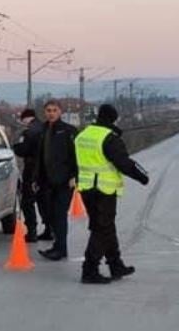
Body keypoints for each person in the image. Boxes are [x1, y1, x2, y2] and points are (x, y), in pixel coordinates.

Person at [75, 104, 150, 284]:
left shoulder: (82, 135)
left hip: (86, 188)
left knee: (105, 227)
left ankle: (116, 264)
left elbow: (73, 161)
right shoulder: (109, 138)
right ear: (113, 119)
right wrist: (142, 177)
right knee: (102, 229)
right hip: (104, 189)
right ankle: (90, 269)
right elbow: (123, 163)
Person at [33, 100, 78, 261]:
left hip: (64, 181)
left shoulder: (68, 131)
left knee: (60, 215)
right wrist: (36, 178)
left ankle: (61, 248)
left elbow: (76, 156)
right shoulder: (43, 130)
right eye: (48, 110)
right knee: (50, 215)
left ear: (60, 112)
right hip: (46, 181)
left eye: (54, 110)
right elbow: (39, 156)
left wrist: (74, 176)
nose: (51, 113)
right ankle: (57, 245)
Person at [12, 108, 52, 243]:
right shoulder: (47, 129)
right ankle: (49, 229)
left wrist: (15, 146)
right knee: (44, 201)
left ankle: (32, 231)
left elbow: (23, 150)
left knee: (27, 201)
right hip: (47, 170)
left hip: (32, 169)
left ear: (26, 119)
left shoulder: (29, 132)